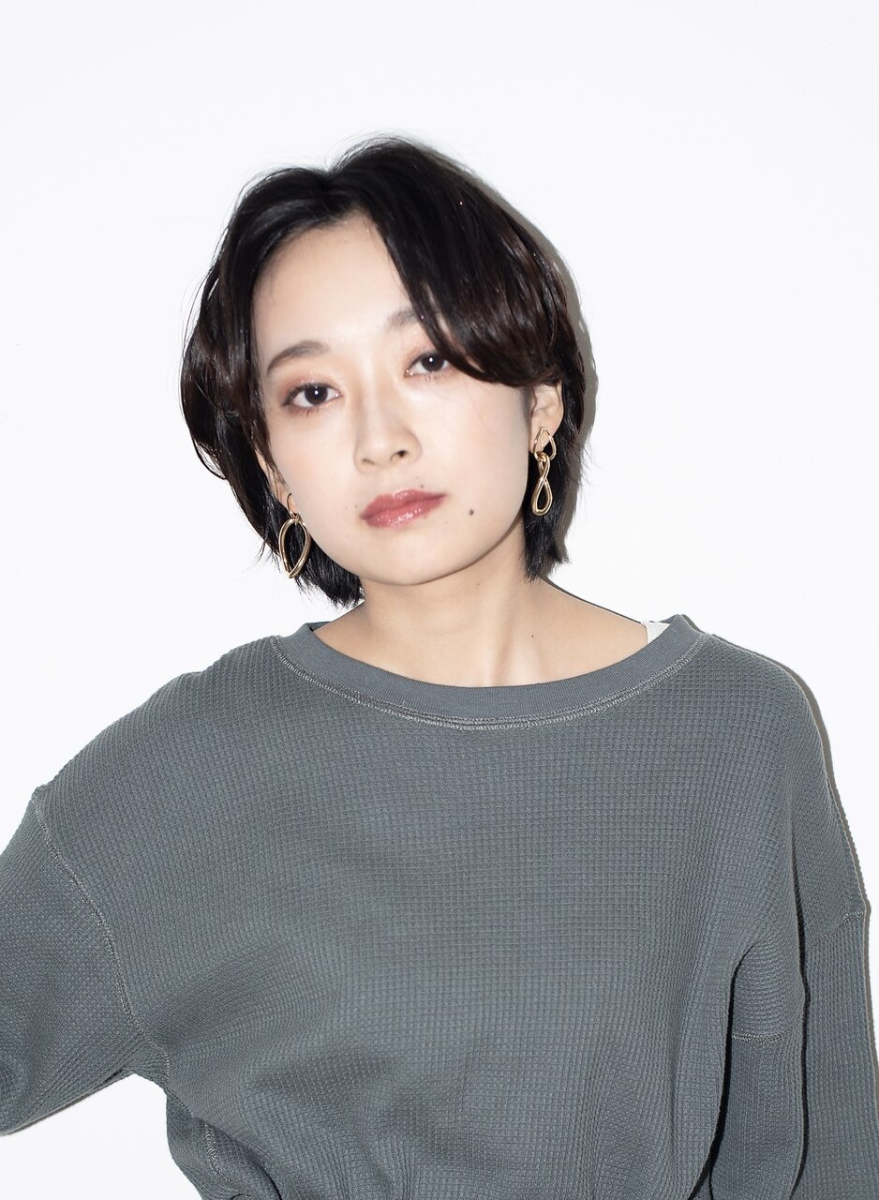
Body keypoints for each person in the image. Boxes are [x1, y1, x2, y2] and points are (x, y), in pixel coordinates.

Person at [1, 135, 878, 1199]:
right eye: (312, 392)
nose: (380, 438)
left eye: (427, 361)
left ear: (540, 399)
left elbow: (823, 1155)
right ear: (274, 465)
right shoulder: (192, 770)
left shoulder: (737, 733)